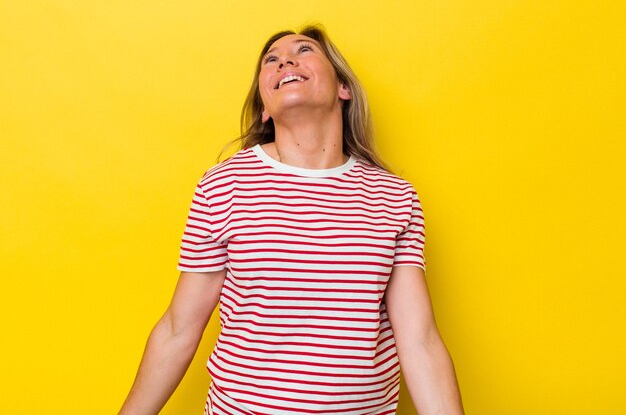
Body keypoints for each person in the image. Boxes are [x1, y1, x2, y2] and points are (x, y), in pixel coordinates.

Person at [118, 24, 465, 415]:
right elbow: (178, 329)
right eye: (271, 59)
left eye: (304, 51)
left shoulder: (394, 197)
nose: (285, 60)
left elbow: (419, 341)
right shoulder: (225, 185)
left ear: (342, 88)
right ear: (265, 106)